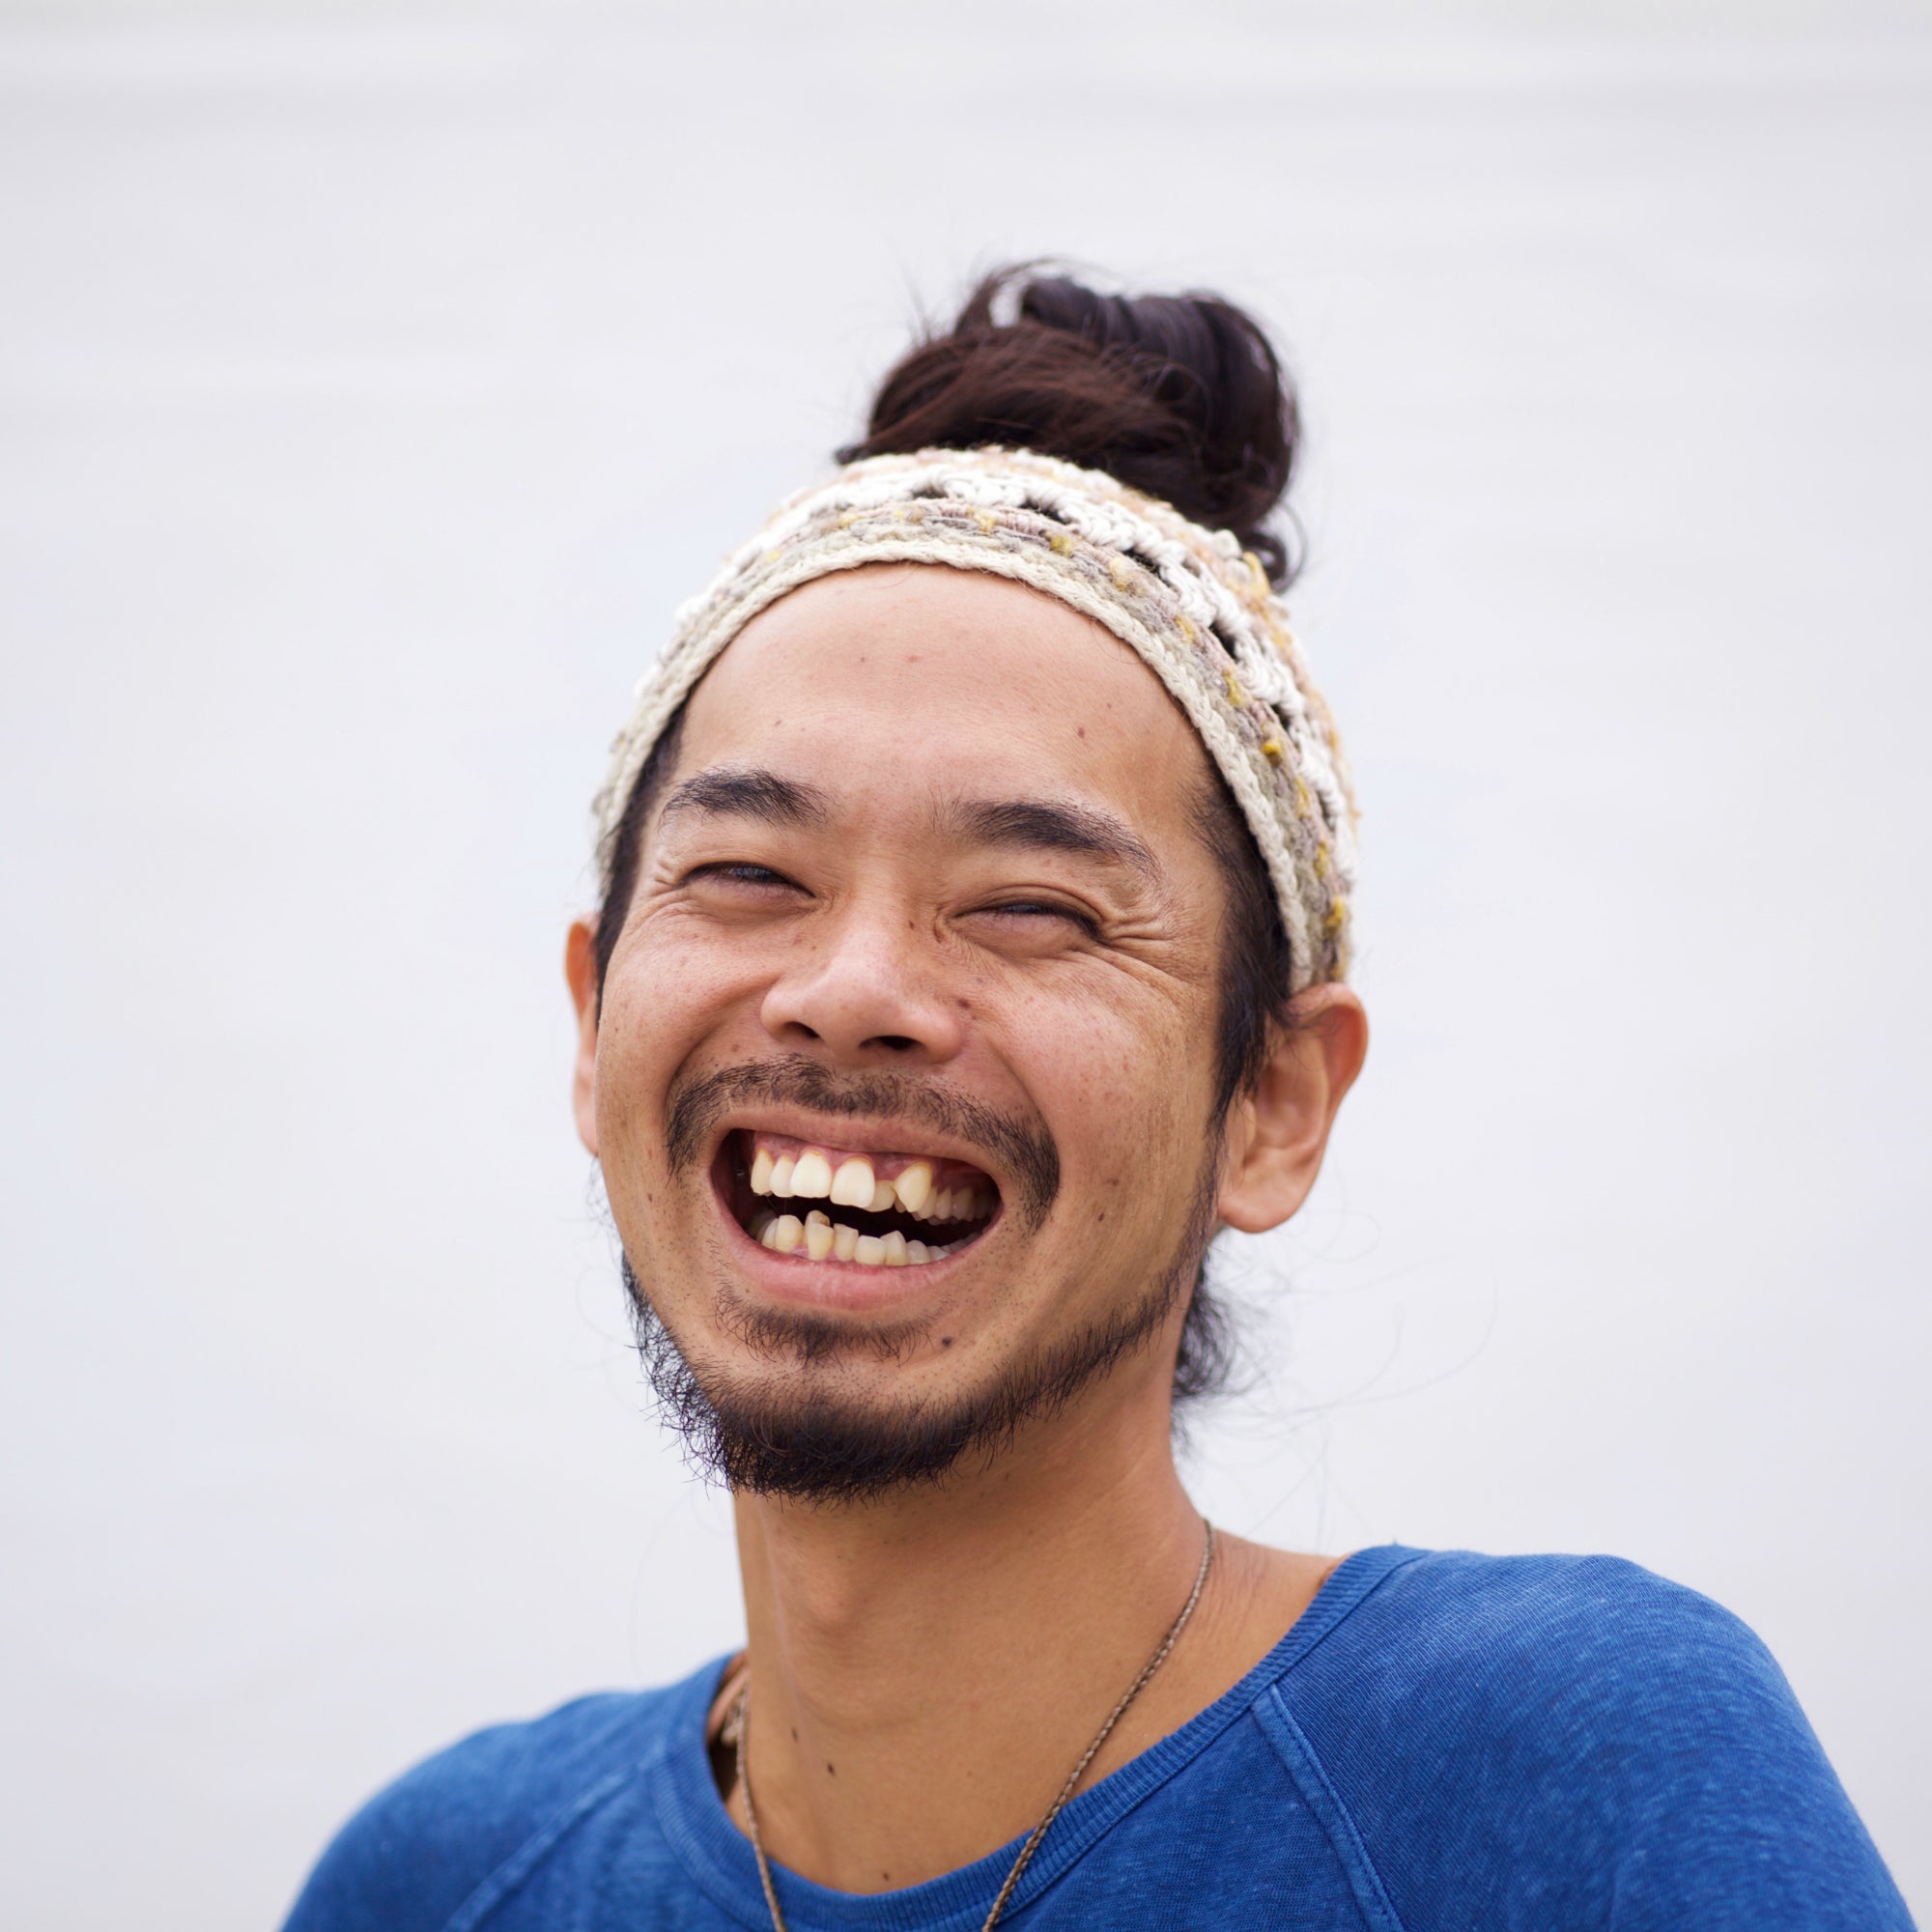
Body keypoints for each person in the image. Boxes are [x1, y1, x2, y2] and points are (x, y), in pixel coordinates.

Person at [282, 268, 1912, 1931]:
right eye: (750, 872)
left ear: (1271, 1104)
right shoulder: (441, 1884)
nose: (852, 988)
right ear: (591, 1021)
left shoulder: (1556, 1788)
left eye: (1030, 906)